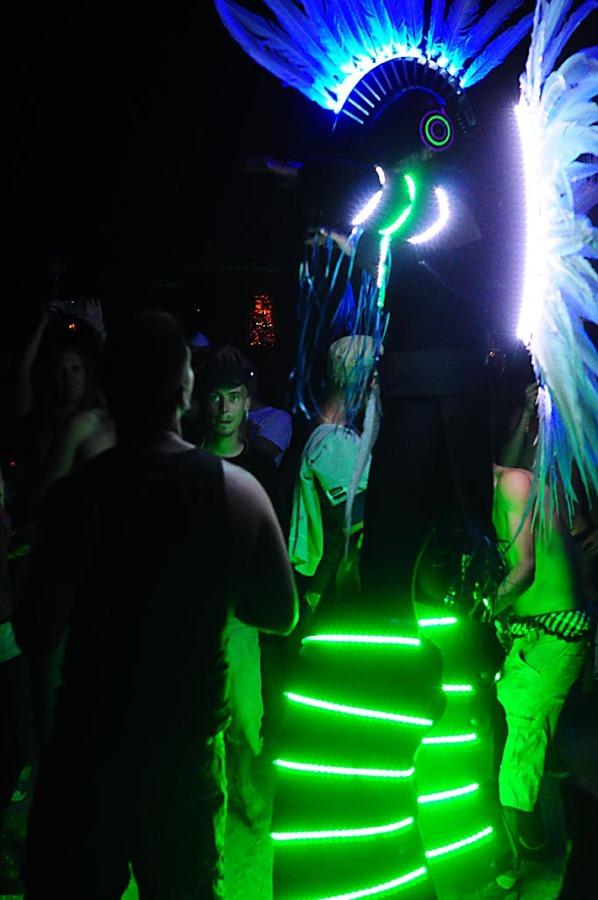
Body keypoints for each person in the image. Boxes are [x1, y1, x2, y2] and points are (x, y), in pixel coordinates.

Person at [13, 310, 298, 899]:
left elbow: (35, 629)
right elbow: (280, 613)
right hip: (181, 758)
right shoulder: (236, 491)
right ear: (187, 388)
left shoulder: (74, 497)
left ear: (108, 386)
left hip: (87, 754)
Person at [486, 463, 591, 898]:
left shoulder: (511, 484)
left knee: (520, 749)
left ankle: (515, 861)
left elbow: (525, 567)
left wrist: (483, 607)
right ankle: (538, 839)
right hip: (546, 632)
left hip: (550, 634)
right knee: (529, 741)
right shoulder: (521, 480)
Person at [200, 356, 281, 825]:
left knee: (248, 712)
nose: (224, 408)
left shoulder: (260, 468)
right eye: (216, 396)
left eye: (233, 397)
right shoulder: (187, 464)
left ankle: (244, 784)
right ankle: (211, 793)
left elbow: (272, 541)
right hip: (193, 611)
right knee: (198, 709)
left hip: (242, 614)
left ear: (247, 403)